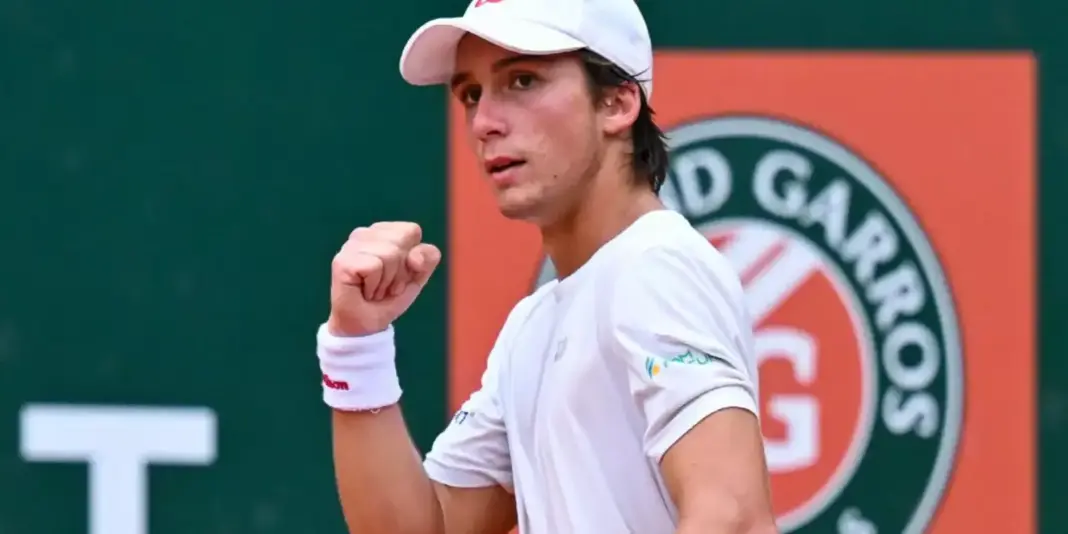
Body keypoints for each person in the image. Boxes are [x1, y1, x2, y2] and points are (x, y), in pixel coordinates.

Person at [315, 0, 778, 532]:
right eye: (470, 94)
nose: (484, 121)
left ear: (617, 103)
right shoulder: (534, 327)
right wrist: (356, 347)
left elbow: (736, 519)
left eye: (523, 81)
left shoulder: (655, 267)